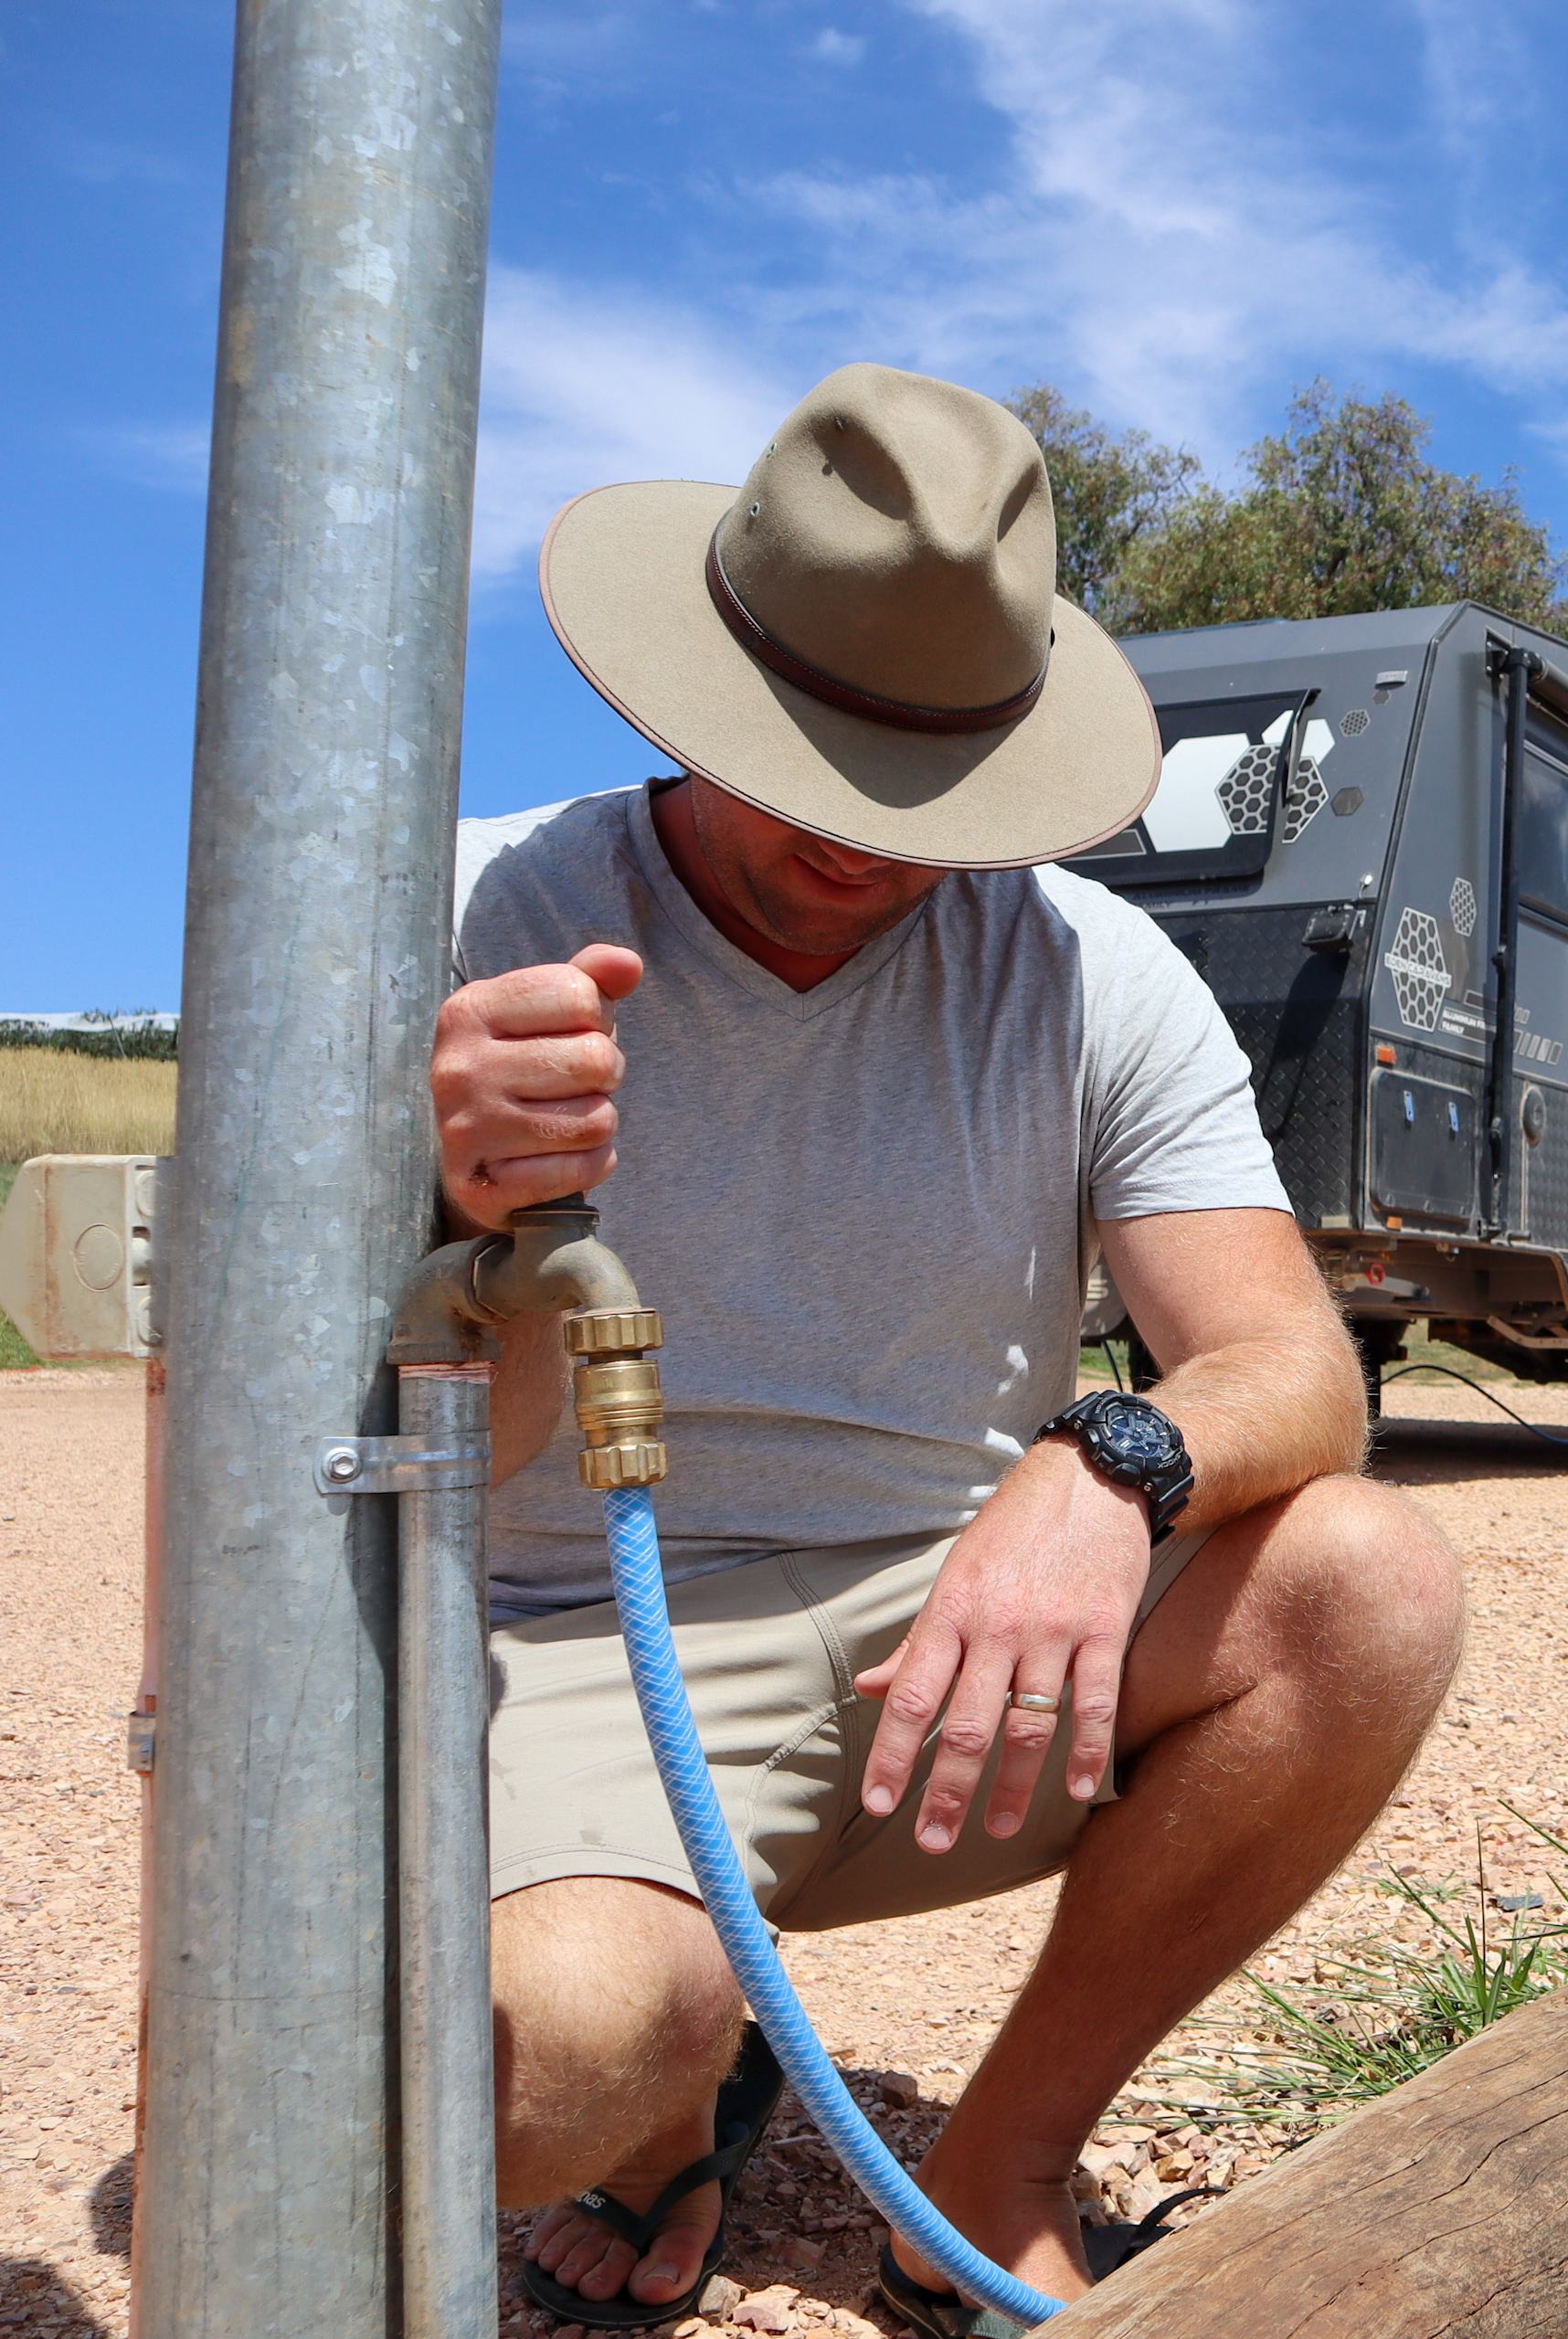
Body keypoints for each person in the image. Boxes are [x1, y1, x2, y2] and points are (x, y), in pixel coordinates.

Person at [434, 362, 1464, 2334]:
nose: (862, 838)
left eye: (922, 783)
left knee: (1368, 1584)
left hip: (959, 1637)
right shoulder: (477, 910)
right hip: (577, 1641)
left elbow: (1293, 1366)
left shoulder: (1091, 969)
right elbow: (299, 1434)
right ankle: (670, 2081)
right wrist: (436, 1196)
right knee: (520, 2078)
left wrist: (1108, 1465)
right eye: (811, 762)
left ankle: (991, 2171)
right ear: (703, 682)